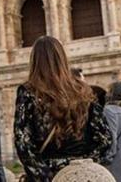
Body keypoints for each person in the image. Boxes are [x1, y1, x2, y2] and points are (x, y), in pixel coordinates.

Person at [14, 36, 112, 180]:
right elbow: (105, 139)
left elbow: (23, 142)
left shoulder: (29, 92)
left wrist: (46, 176)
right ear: (62, 58)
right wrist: (84, 166)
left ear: (35, 61)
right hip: (83, 176)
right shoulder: (82, 90)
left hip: (49, 172)